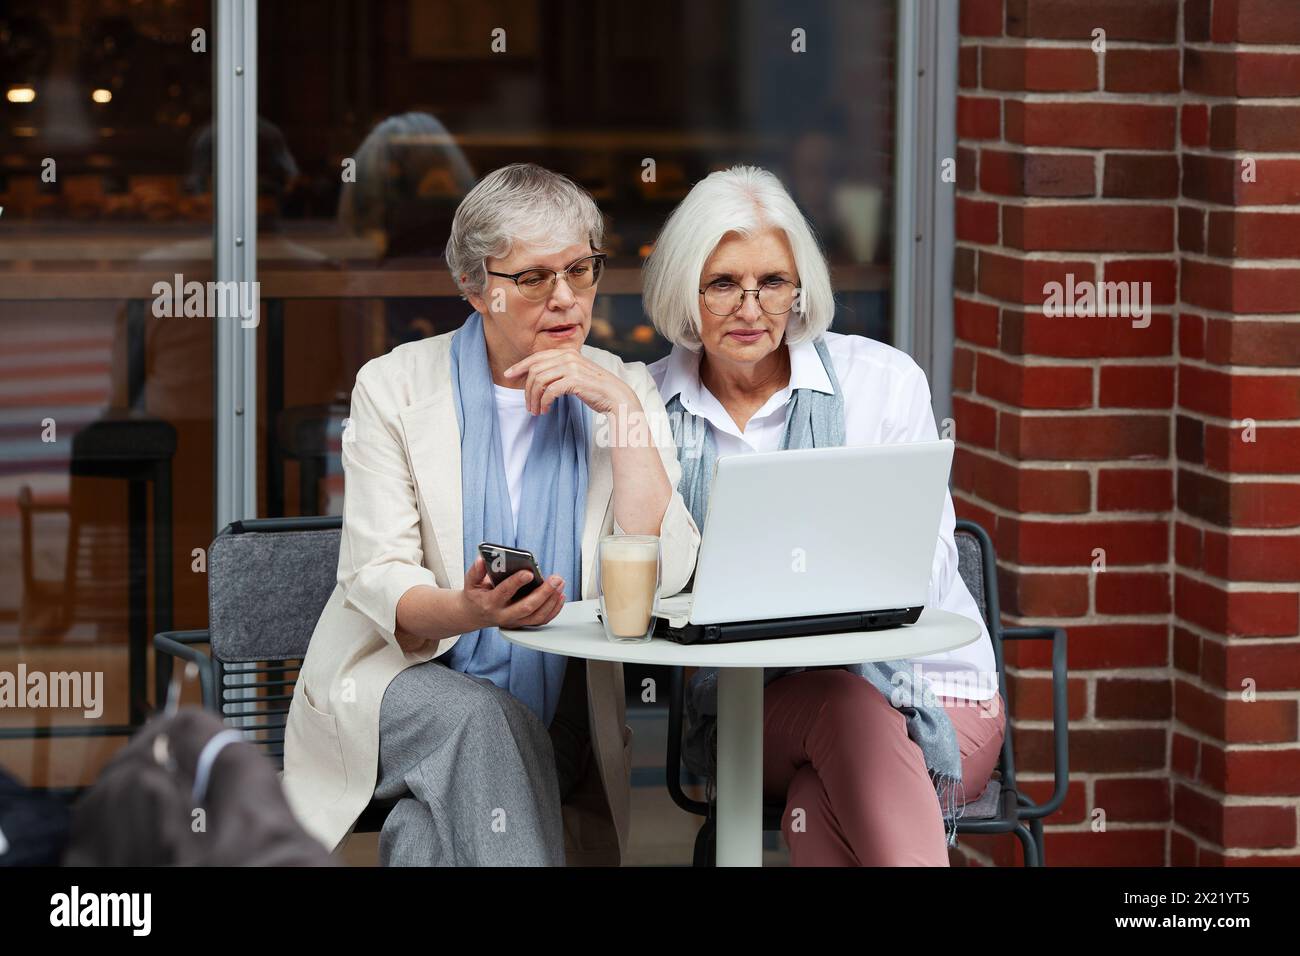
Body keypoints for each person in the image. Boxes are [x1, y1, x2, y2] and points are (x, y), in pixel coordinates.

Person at [282, 163, 700, 865]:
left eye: (581, 269)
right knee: (480, 718)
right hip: (398, 694)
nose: (567, 298)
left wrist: (624, 413)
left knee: (424, 837)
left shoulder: (620, 389)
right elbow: (379, 576)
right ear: (476, 288)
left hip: (554, 720)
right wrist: (474, 609)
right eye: (534, 278)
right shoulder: (393, 387)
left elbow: (670, 575)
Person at [643, 165, 1006, 866]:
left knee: (817, 804)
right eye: (722, 283)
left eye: (772, 282)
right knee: (838, 708)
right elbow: (647, 588)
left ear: (799, 286)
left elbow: (920, 574)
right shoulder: (650, 408)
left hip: (938, 694)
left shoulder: (882, 382)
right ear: (684, 288)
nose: (750, 308)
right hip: (753, 712)